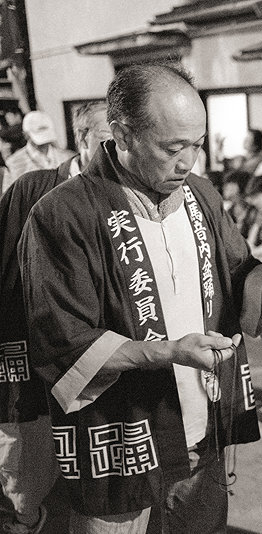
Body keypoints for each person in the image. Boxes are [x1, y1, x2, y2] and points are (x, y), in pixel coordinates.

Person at [18, 62, 262, 534]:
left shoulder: (202, 196)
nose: (189, 162)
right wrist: (169, 352)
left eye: (197, 144)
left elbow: (240, 283)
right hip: (123, 433)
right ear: (124, 135)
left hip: (201, 425)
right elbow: (59, 335)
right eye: (173, 148)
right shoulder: (63, 213)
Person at [0, 101, 111, 534]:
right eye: (107, 138)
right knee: (23, 440)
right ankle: (27, 515)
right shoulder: (30, 187)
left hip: (96, 346)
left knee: (90, 443)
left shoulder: (128, 195)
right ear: (81, 138)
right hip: (30, 337)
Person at [2, 110, 76, 193]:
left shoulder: (68, 157)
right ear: (26, 135)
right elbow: (8, 200)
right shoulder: (13, 163)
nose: (44, 142)